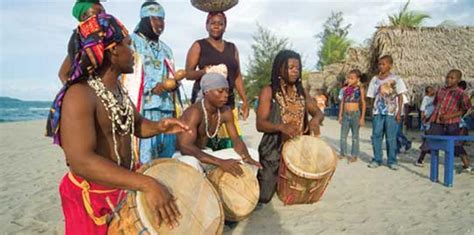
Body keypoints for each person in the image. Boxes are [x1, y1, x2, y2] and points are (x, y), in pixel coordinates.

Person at [46, 14, 189, 234]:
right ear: (113, 50)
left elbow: (136, 125)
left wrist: (161, 126)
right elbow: (81, 161)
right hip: (93, 198)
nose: (133, 53)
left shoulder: (117, 91)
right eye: (128, 45)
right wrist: (146, 183)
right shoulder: (80, 94)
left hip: (122, 186)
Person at [256, 50, 324, 204]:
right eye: (291, 67)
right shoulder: (269, 92)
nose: (295, 71)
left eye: (297, 68)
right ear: (280, 69)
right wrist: (281, 127)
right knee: (265, 196)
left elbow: (318, 113)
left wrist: (315, 121)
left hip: (298, 148)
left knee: (302, 193)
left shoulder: (301, 92)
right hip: (275, 148)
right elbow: (260, 124)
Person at [173, 73, 261, 176]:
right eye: (220, 91)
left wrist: (246, 157)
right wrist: (220, 162)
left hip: (206, 153)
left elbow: (236, 140)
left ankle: (246, 190)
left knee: (253, 154)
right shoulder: (194, 112)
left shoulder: (225, 112)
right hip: (185, 156)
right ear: (206, 92)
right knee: (191, 163)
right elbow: (185, 146)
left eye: (227, 91)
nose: (225, 95)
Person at [125, 1, 180, 163]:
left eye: (162, 19)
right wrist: (153, 86)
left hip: (166, 109)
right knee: (144, 159)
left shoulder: (166, 49)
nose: (160, 24)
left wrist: (173, 84)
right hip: (143, 110)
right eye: (155, 19)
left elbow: (171, 75)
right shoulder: (131, 42)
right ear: (144, 20)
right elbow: (128, 73)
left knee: (166, 159)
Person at [185, 11, 249, 150]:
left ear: (225, 27)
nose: (216, 26)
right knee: (203, 140)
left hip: (227, 99)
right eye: (213, 23)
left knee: (230, 141)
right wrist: (205, 71)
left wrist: (244, 100)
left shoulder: (232, 48)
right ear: (206, 25)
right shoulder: (199, 45)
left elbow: (237, 75)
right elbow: (188, 74)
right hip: (206, 100)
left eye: (220, 24)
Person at [419, 70, 472, 172]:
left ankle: (467, 165)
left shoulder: (461, 94)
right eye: (447, 77)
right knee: (430, 140)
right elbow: (436, 105)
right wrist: (429, 117)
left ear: (458, 80)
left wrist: (450, 115)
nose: (449, 80)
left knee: (455, 143)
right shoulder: (440, 91)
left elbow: (465, 109)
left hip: (451, 122)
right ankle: (420, 160)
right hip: (437, 121)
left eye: (452, 78)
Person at [366, 55, 408, 170]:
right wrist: (371, 111)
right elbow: (371, 96)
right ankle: (377, 159)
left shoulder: (396, 79)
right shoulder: (374, 80)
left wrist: (399, 112)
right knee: (376, 136)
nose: (381, 66)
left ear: (390, 65)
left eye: (384, 64)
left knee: (391, 137)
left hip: (391, 113)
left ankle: (392, 160)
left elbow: (400, 96)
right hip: (378, 112)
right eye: (379, 64)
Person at [58, 0, 106, 84]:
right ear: (84, 16)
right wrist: (80, 92)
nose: (103, 16)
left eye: (104, 12)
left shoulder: (106, 35)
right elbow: (63, 74)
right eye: (98, 13)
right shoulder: (78, 40)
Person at [338, 69, 366, 163]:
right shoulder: (345, 90)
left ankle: (354, 155)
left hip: (355, 114)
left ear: (358, 79)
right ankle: (343, 153)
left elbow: (363, 102)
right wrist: (340, 115)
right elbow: (342, 102)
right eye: (349, 78)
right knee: (343, 136)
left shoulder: (360, 89)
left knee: (355, 137)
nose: (349, 80)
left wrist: (362, 118)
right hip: (346, 115)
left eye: (352, 78)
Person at [414, 86, 436, 167]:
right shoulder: (426, 98)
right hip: (428, 120)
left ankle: (426, 153)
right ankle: (420, 159)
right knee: (427, 140)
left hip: (434, 120)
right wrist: (423, 120)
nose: (432, 92)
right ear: (427, 92)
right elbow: (422, 110)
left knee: (429, 140)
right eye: (430, 91)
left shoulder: (435, 98)